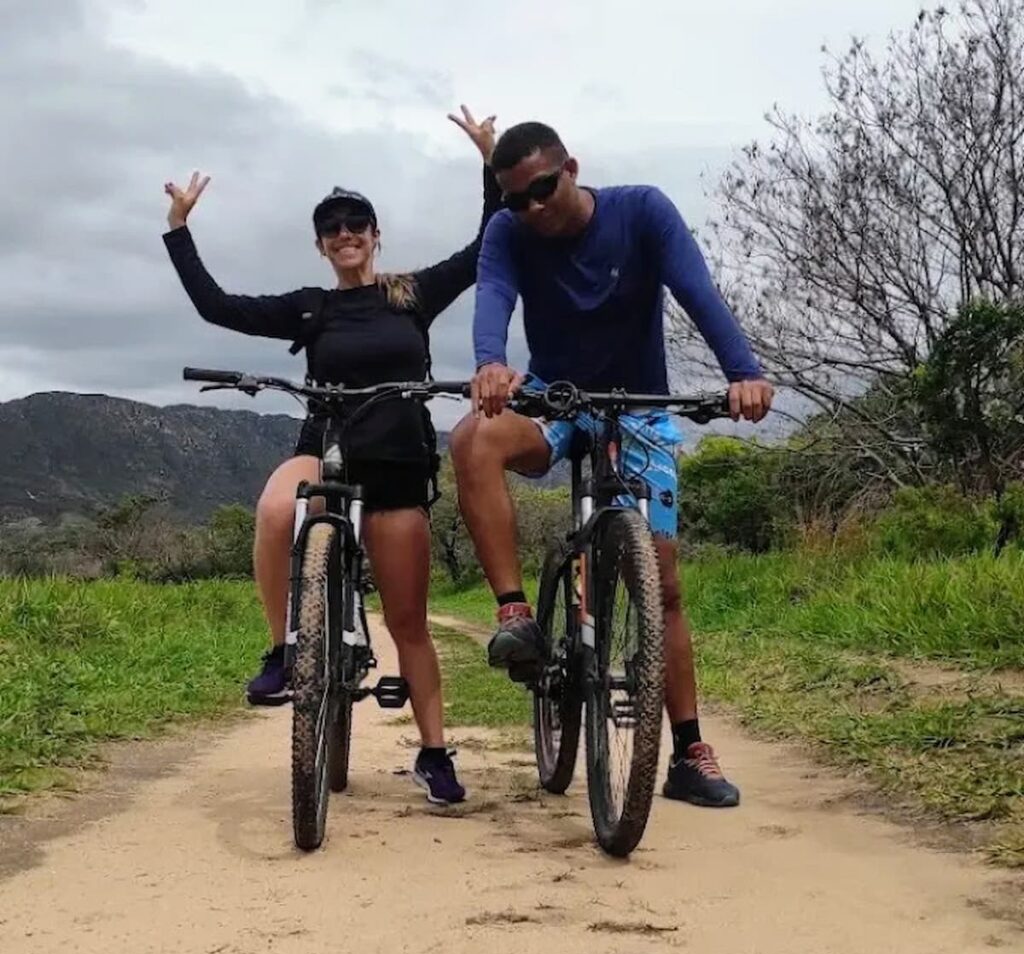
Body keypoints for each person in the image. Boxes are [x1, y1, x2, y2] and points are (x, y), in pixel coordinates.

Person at [162, 106, 502, 805]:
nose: (344, 234)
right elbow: (217, 306)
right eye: (331, 228)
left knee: (408, 621)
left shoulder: (409, 293)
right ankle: (284, 650)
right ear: (320, 245)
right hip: (327, 444)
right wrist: (178, 230)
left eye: (356, 224)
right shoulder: (310, 307)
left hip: (397, 462)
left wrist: (490, 162)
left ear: (376, 235)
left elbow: (482, 250)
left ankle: (433, 753)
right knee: (274, 507)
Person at [450, 121, 774, 808]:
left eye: (544, 188)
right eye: (517, 199)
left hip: (640, 408)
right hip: (555, 400)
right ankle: (515, 614)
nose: (534, 207)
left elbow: (697, 291)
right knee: (473, 438)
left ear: (571, 167)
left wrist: (742, 372)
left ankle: (689, 752)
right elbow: (493, 294)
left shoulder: (642, 210)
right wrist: (489, 363)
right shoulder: (509, 232)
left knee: (663, 584)